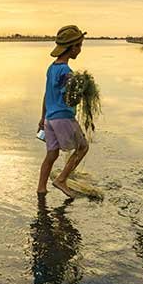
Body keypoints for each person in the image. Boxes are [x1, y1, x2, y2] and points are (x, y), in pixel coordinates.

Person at [37, 25, 89, 197]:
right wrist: (83, 91)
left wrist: (42, 117)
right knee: (82, 147)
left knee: (51, 155)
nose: (80, 50)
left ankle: (41, 188)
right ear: (72, 47)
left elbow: (47, 94)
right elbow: (71, 98)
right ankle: (61, 179)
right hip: (63, 117)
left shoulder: (52, 67)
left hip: (50, 118)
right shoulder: (66, 71)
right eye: (79, 46)